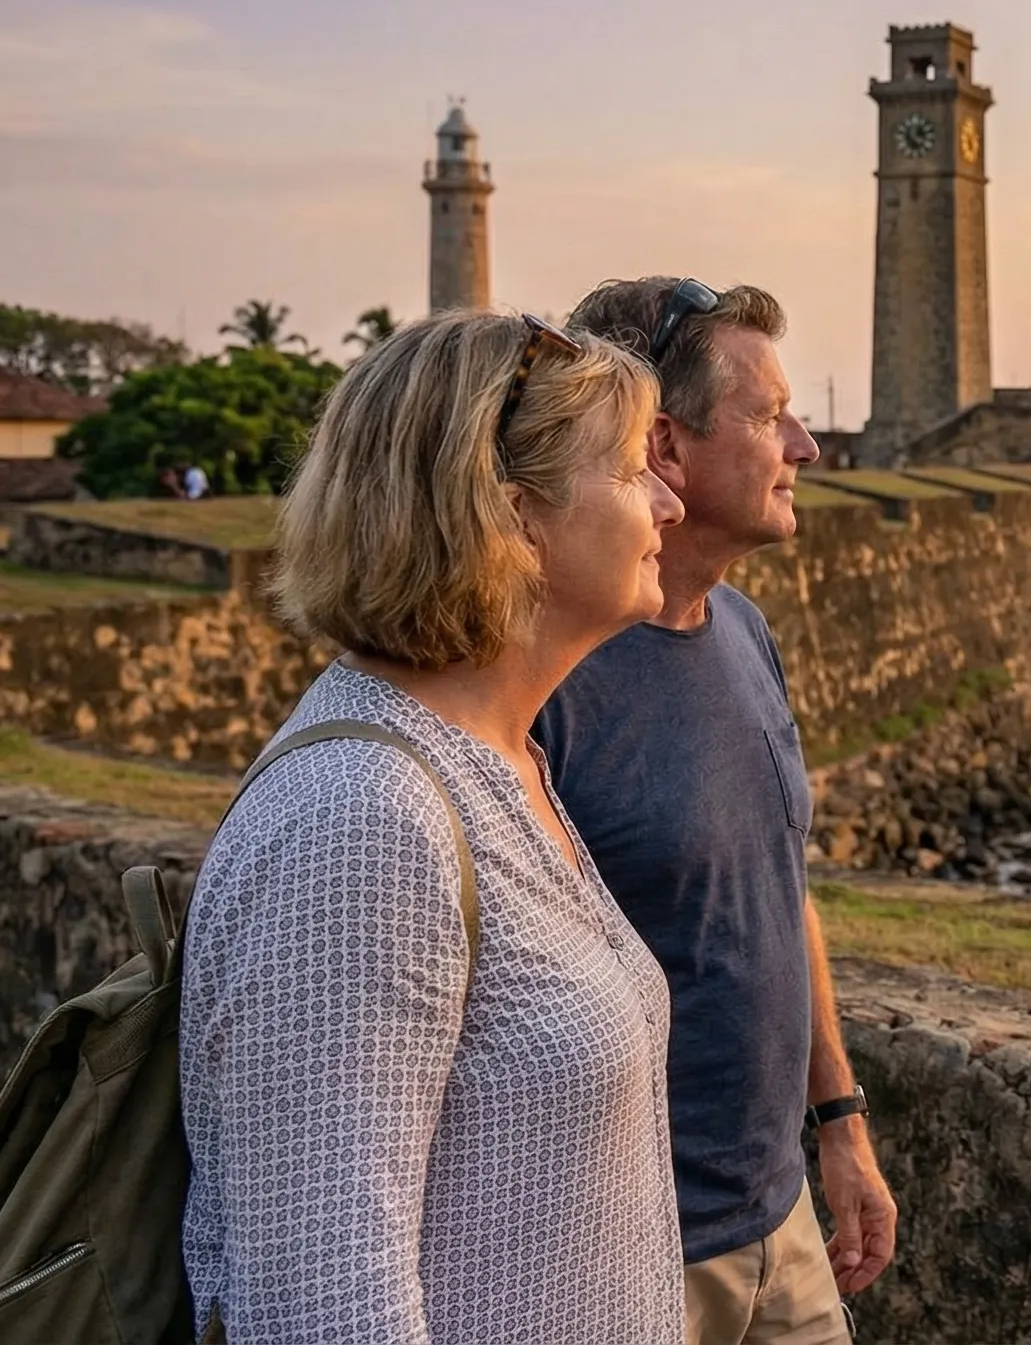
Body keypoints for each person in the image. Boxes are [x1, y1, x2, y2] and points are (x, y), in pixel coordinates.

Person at [181, 311, 689, 1343]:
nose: (672, 503)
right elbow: (320, 1308)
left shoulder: (500, 760)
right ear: (515, 518)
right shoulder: (362, 821)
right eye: (637, 470)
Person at [537, 277, 893, 1345]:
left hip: (777, 1225)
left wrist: (838, 1122)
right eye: (768, 415)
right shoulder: (543, 678)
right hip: (614, 1259)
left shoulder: (742, 630)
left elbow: (777, 889)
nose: (807, 445)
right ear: (665, 450)